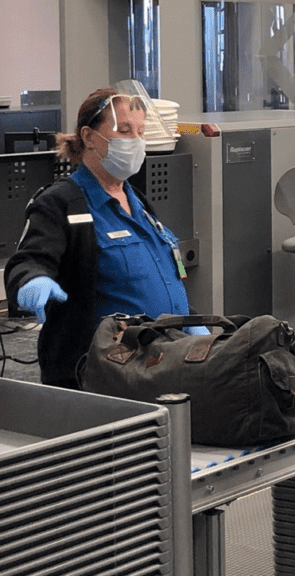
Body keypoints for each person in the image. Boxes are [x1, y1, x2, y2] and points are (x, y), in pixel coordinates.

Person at [4, 87, 205, 389]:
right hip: (100, 376)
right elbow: (28, 261)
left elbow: (159, 274)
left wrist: (189, 322)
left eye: (140, 132)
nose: (135, 142)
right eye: (123, 131)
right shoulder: (61, 203)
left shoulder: (137, 201)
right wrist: (32, 282)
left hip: (159, 366)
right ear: (88, 136)